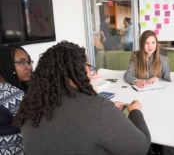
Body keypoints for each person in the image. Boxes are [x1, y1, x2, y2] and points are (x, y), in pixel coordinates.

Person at [12, 41, 151, 154]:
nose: (90, 72)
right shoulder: (98, 109)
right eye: (88, 66)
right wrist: (135, 112)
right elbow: (140, 148)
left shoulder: (29, 106)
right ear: (78, 69)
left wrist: (106, 112)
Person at [0, 45, 32, 155]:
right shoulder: (12, 94)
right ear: (7, 65)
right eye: (22, 62)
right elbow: (38, 126)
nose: (29, 67)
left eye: (29, 62)